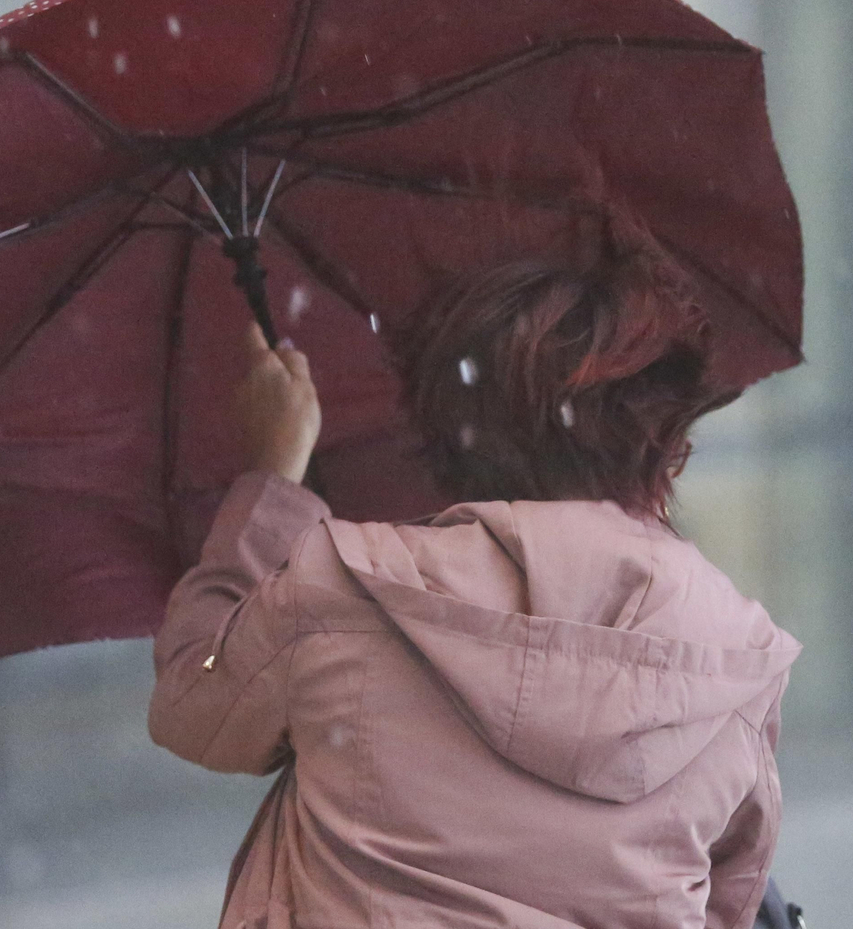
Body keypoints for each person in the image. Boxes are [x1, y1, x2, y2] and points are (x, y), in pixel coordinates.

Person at [149, 255, 801, 929]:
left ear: (451, 432)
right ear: (660, 441)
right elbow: (729, 898)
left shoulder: (347, 592)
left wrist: (274, 472)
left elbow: (193, 701)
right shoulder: (733, 656)